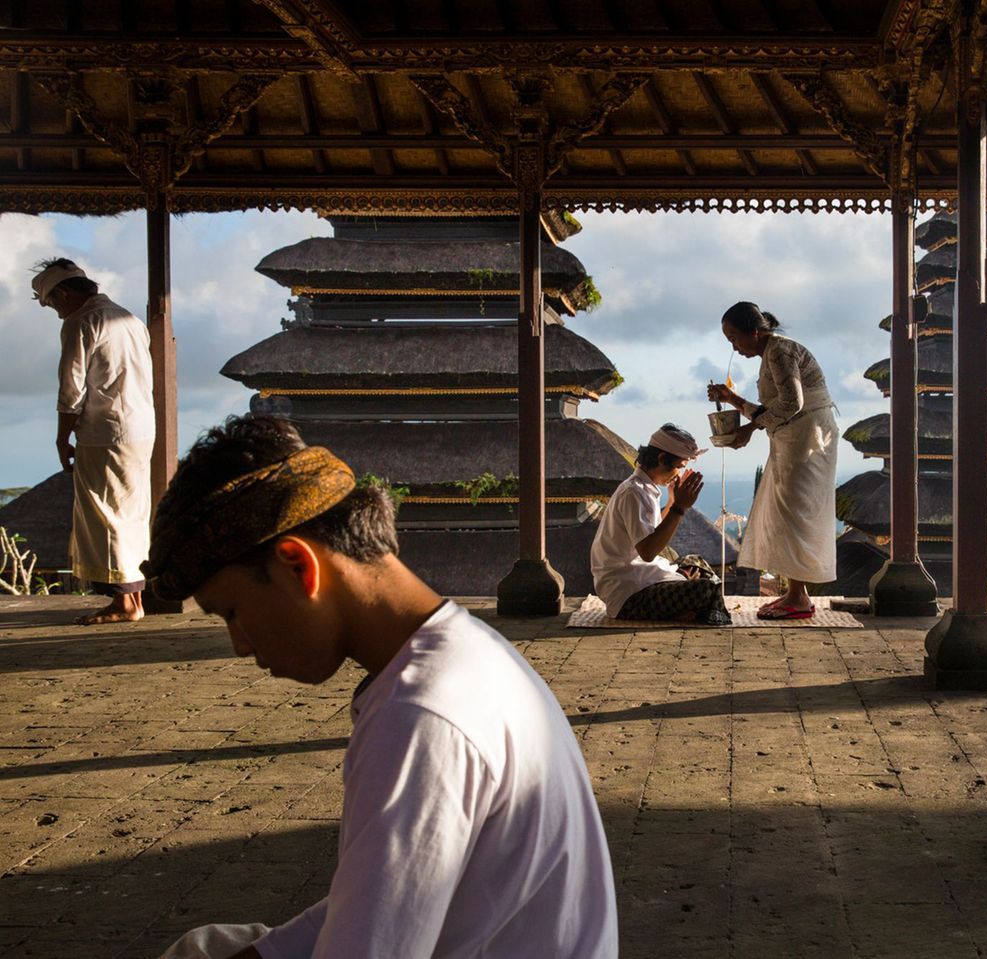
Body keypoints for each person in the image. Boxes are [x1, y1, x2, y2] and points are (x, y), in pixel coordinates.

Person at [144, 415, 617, 959]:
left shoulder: (419, 717)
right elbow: (394, 892)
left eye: (232, 612)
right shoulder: (467, 652)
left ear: (298, 565)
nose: (240, 645)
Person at [32, 258, 154, 625]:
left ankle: (125, 604)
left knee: (106, 515)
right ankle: (134, 598)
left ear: (65, 294)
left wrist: (61, 436)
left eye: (53, 304)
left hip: (105, 431)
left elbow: (71, 388)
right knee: (130, 513)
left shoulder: (80, 321)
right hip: (140, 427)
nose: (56, 313)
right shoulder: (128, 319)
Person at [706, 302, 837, 620]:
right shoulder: (771, 353)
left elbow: (792, 403)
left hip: (807, 438)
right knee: (786, 510)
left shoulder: (779, 351)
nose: (734, 348)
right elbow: (776, 409)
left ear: (754, 332)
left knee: (795, 511)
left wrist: (749, 426)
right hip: (793, 438)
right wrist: (732, 401)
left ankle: (799, 598)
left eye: (734, 338)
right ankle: (795, 593)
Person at [590, 424, 731, 625]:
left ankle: (688, 610)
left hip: (642, 580)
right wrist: (679, 508)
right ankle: (696, 612)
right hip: (629, 594)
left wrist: (673, 501)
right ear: (662, 458)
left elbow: (652, 532)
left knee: (695, 562)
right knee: (707, 588)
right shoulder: (634, 492)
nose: (678, 474)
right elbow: (648, 551)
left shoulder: (645, 489)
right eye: (679, 467)